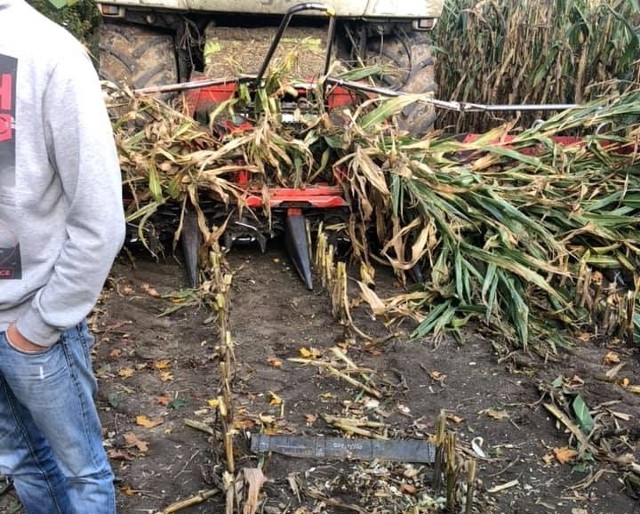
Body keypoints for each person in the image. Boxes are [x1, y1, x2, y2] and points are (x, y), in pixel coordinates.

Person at [0, 0, 125, 512]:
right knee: (23, 462)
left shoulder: (49, 53)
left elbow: (100, 219)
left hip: (32, 326)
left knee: (81, 472)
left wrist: (39, 327)